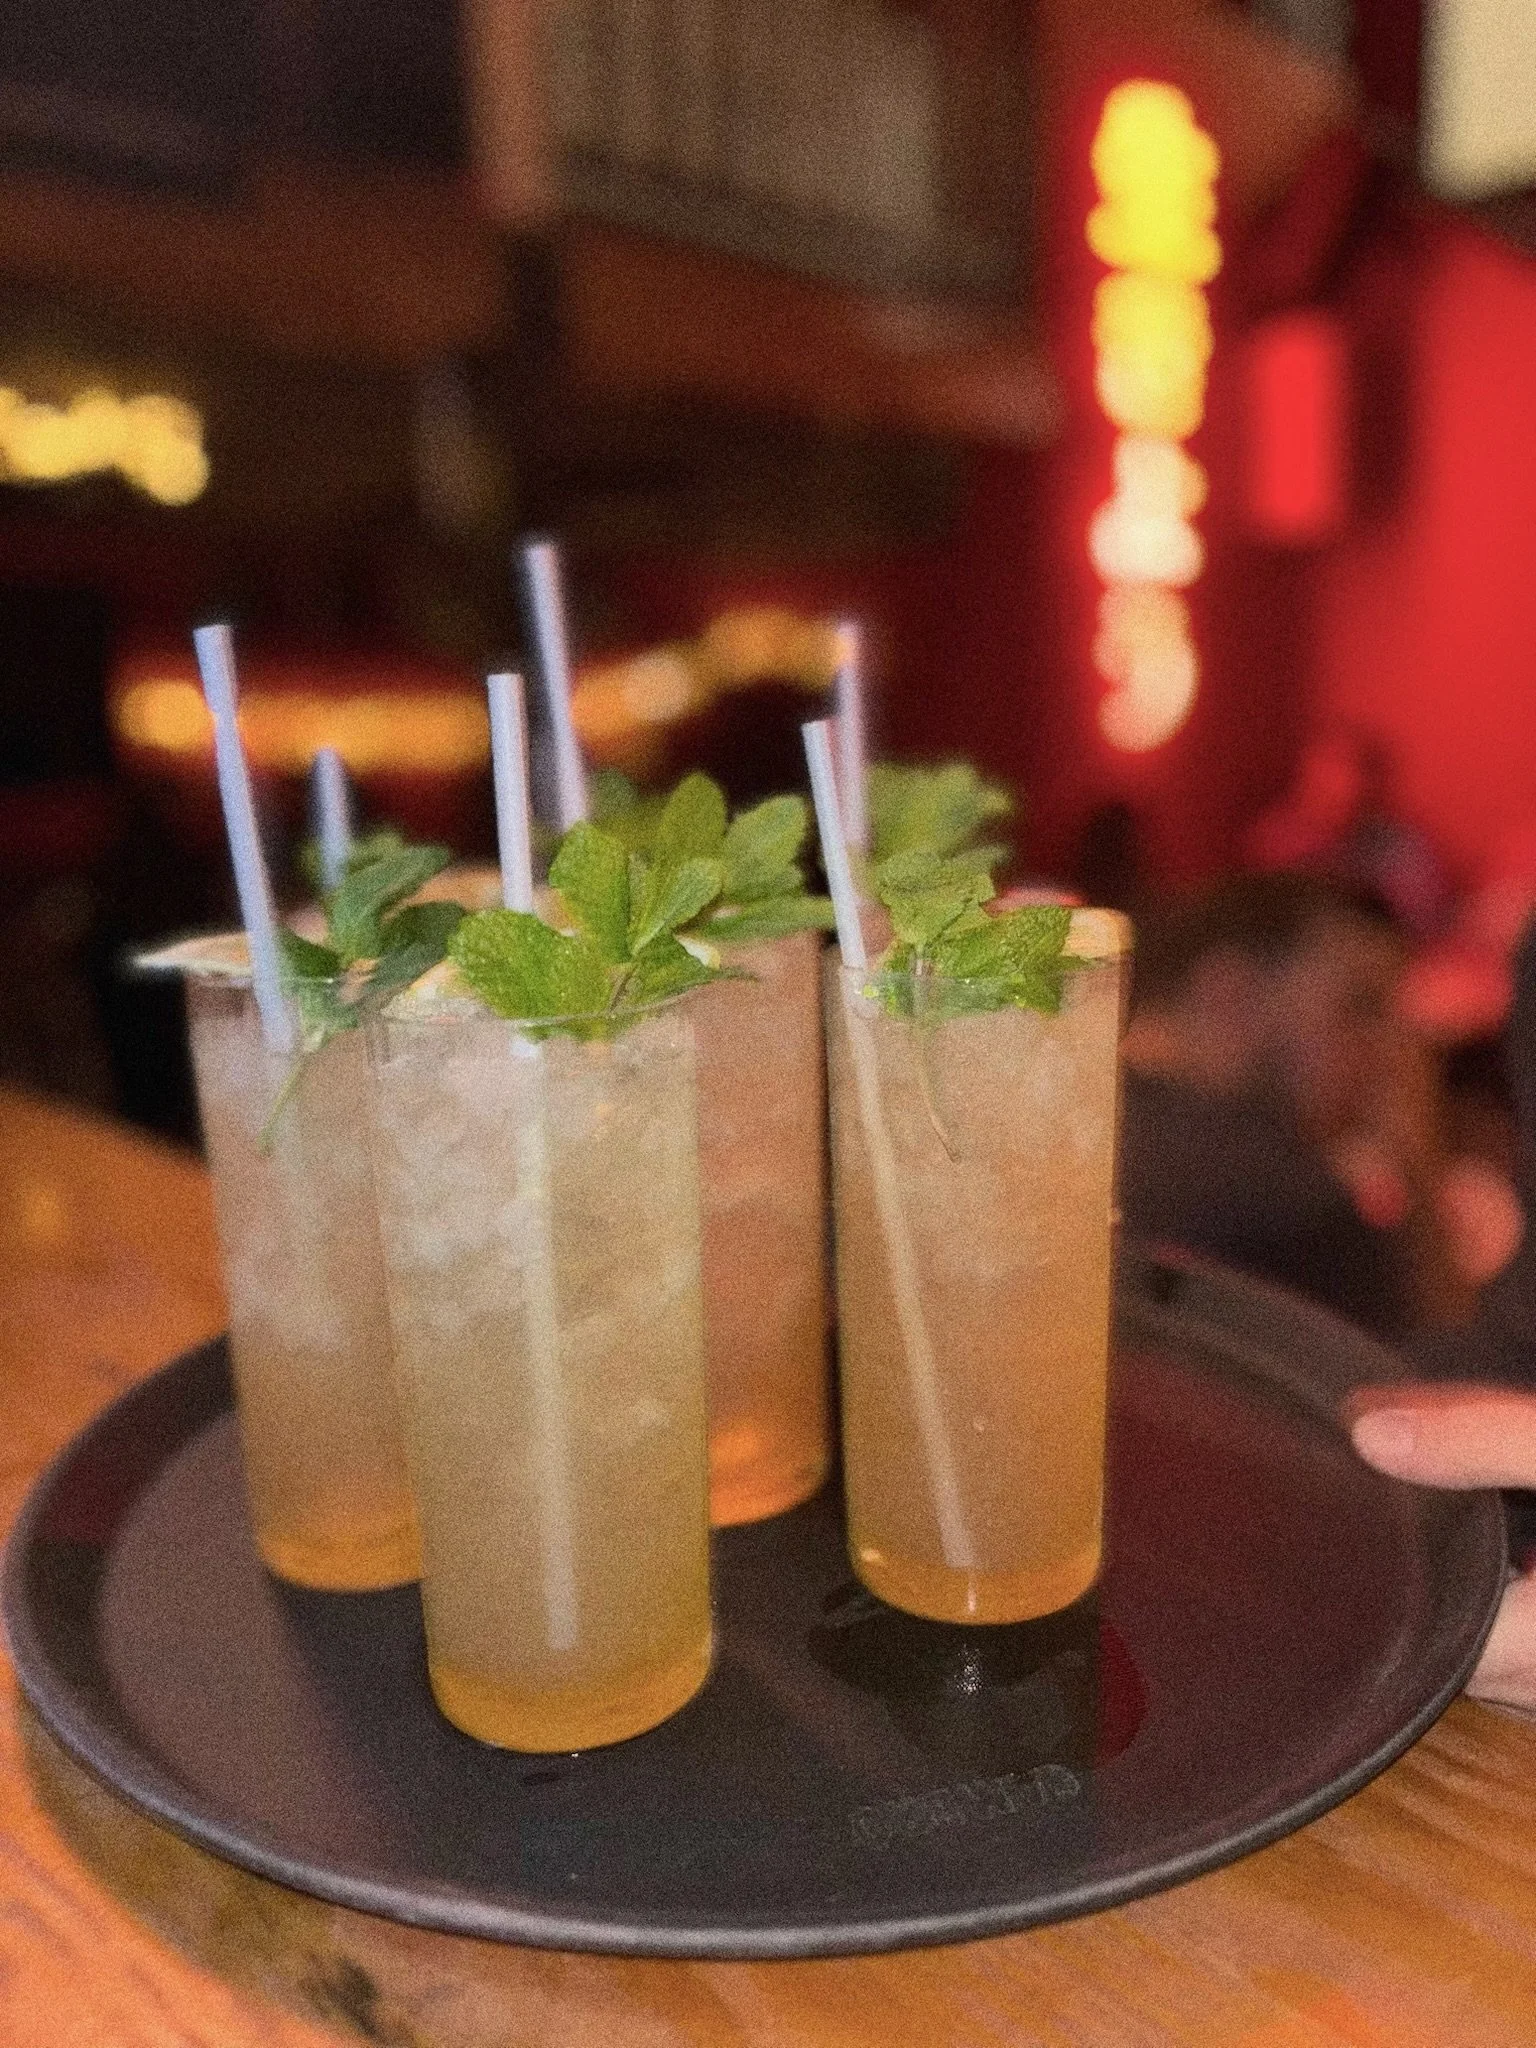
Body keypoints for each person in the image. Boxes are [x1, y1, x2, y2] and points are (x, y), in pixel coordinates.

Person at [1120, 871, 1452, 1339]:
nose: (1396, 1054)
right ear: (1229, 995)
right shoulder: (1299, 1207)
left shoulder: (1067, 1137)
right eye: (1361, 1007)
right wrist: (1420, 1177)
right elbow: (1440, 1374)